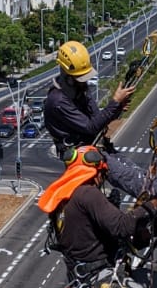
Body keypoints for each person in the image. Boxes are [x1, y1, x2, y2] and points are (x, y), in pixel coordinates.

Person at [37, 146, 157, 288]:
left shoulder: (64, 198)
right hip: (101, 279)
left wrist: (153, 230)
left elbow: (98, 238)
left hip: (84, 280)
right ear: (97, 173)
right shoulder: (87, 193)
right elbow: (122, 227)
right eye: (102, 174)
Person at [43, 40, 147, 199]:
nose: (85, 82)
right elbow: (91, 127)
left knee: (137, 173)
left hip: (94, 144)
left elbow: (97, 119)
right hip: (80, 153)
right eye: (81, 79)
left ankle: (153, 188)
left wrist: (116, 108)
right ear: (69, 78)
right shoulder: (57, 101)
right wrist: (114, 103)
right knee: (130, 179)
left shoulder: (80, 89)